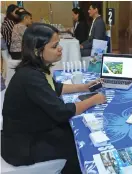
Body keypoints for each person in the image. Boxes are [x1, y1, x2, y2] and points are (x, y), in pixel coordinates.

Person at [1, 23, 106, 174]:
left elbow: (55, 87)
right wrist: (93, 100)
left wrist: (84, 87)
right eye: (54, 46)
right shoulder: (30, 77)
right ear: (38, 51)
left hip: (31, 132)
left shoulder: (35, 69)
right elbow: (62, 112)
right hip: (23, 147)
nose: (60, 48)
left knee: (77, 132)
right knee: (81, 144)